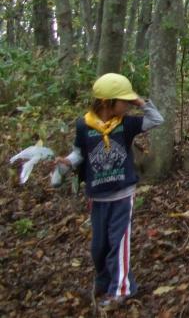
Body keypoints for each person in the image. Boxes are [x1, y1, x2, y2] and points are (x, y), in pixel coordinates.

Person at [54, 73, 164, 308]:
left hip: (122, 194)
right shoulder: (84, 125)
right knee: (99, 246)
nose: (126, 104)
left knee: (118, 242)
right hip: (97, 195)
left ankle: (122, 288)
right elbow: (78, 154)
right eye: (123, 100)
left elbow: (156, 120)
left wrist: (139, 102)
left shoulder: (126, 123)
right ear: (106, 102)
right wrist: (66, 163)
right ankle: (104, 281)